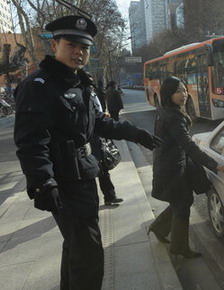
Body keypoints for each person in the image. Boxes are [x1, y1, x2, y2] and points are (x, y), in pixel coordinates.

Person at [13, 15, 162, 290]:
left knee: (77, 246)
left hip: (84, 173)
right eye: (72, 45)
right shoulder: (39, 85)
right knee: (89, 253)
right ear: (55, 45)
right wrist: (43, 182)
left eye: (85, 48)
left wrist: (135, 132)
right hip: (63, 182)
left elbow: (99, 122)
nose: (79, 52)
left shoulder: (79, 83)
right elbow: (31, 140)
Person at [148, 76, 224, 258]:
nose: (183, 94)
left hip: (168, 165)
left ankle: (159, 228)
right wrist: (213, 164)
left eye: (184, 90)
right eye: (178, 91)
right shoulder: (174, 118)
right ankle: (180, 248)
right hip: (173, 169)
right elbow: (188, 145)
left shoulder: (164, 111)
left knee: (180, 203)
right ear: (169, 93)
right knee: (182, 205)